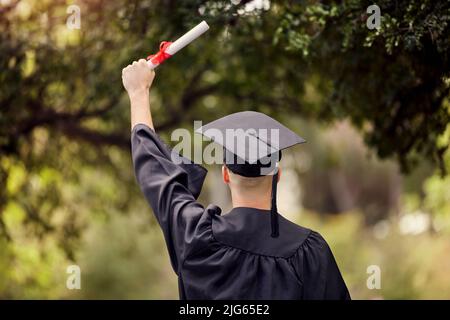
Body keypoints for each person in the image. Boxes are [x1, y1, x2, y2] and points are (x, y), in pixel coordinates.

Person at [122, 59, 351, 300]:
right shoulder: (311, 252)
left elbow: (156, 171)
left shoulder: (196, 237)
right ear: (277, 175)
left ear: (225, 174)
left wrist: (139, 93)